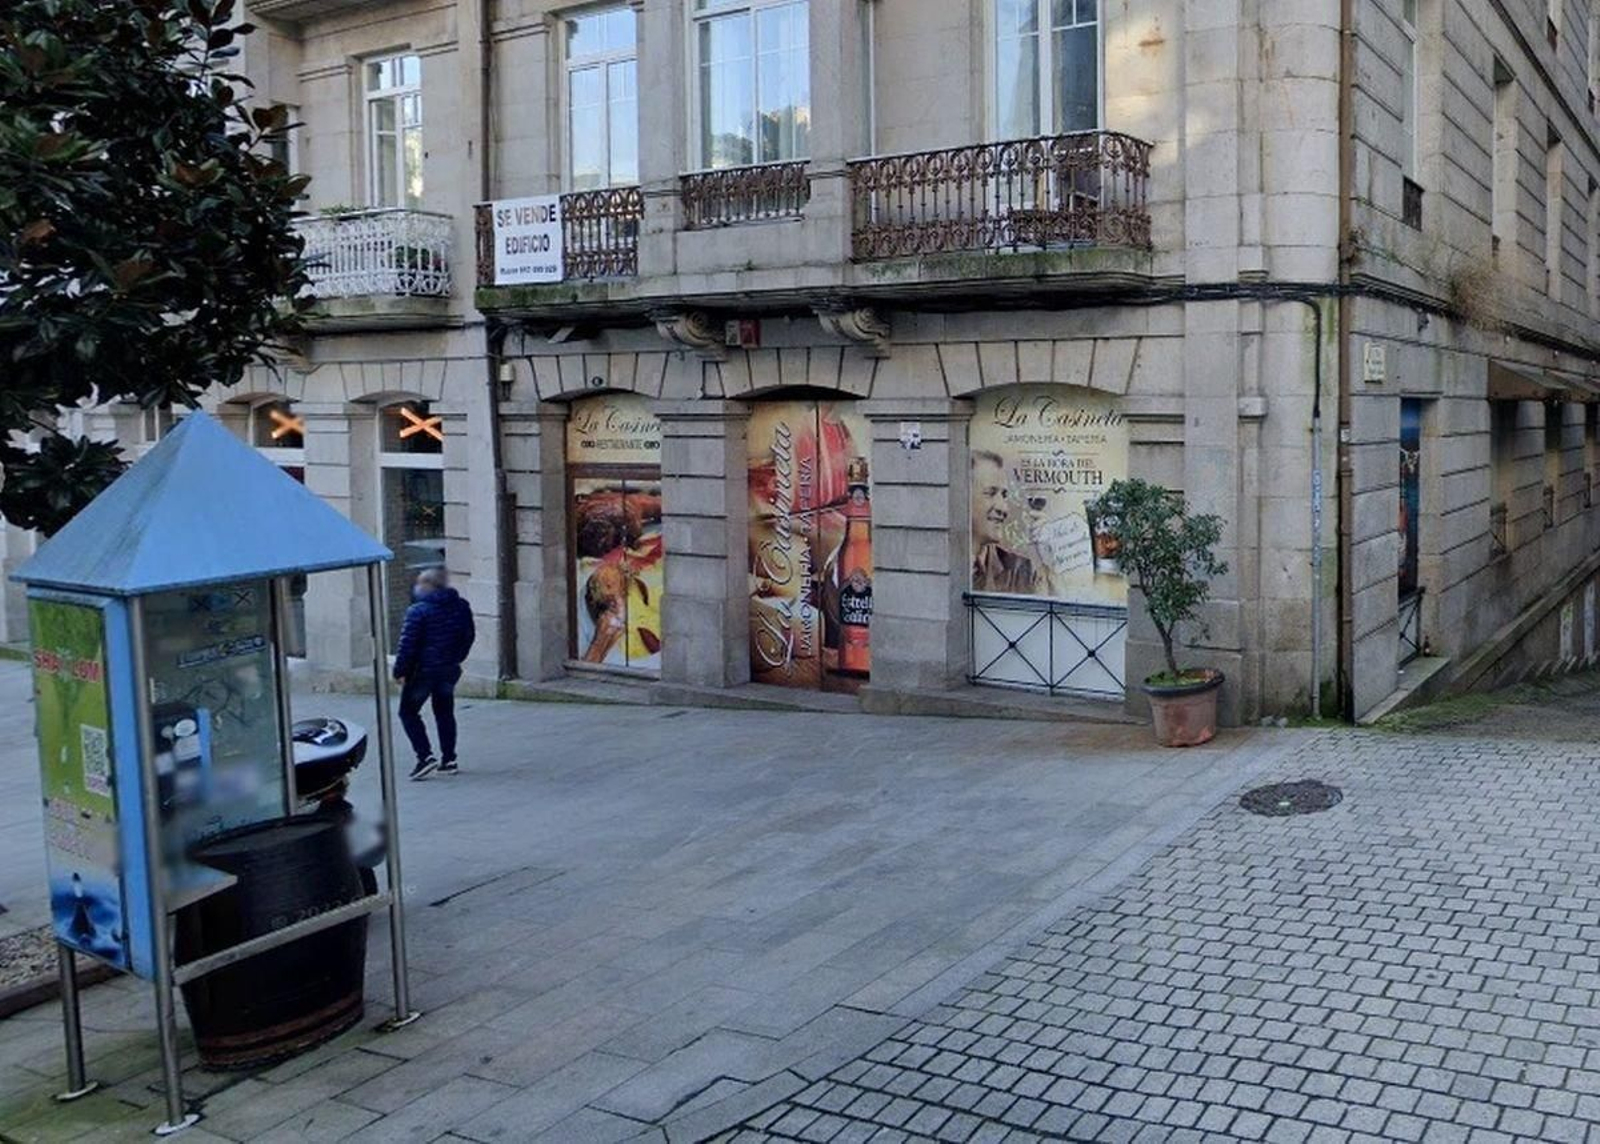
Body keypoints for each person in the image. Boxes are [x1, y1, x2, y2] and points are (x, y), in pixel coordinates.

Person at [393, 567, 475, 780]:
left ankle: (425, 757)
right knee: (445, 712)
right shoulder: (461, 606)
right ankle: (449, 759)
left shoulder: (418, 611)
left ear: (430, 586)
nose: (417, 586)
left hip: (423, 672)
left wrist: (400, 671)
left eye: (421, 582)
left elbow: (407, 646)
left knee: (408, 712)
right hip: (448, 669)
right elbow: (468, 636)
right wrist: (456, 658)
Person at [970, 450, 1038, 595]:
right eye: (990, 493)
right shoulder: (935, 562)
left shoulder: (1021, 572)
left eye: (1004, 495)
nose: (1003, 508)